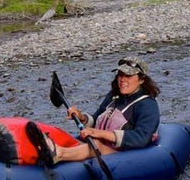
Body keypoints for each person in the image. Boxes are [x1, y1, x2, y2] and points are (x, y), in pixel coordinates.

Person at [25, 56, 161, 165]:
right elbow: (96, 121)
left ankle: (57, 155)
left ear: (142, 79)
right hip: (100, 145)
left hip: (121, 154)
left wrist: (100, 134)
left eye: (128, 76)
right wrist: (81, 117)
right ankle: (37, 149)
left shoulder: (147, 105)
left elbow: (141, 137)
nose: (122, 80)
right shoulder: (114, 96)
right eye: (120, 75)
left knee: (95, 144)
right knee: (72, 138)